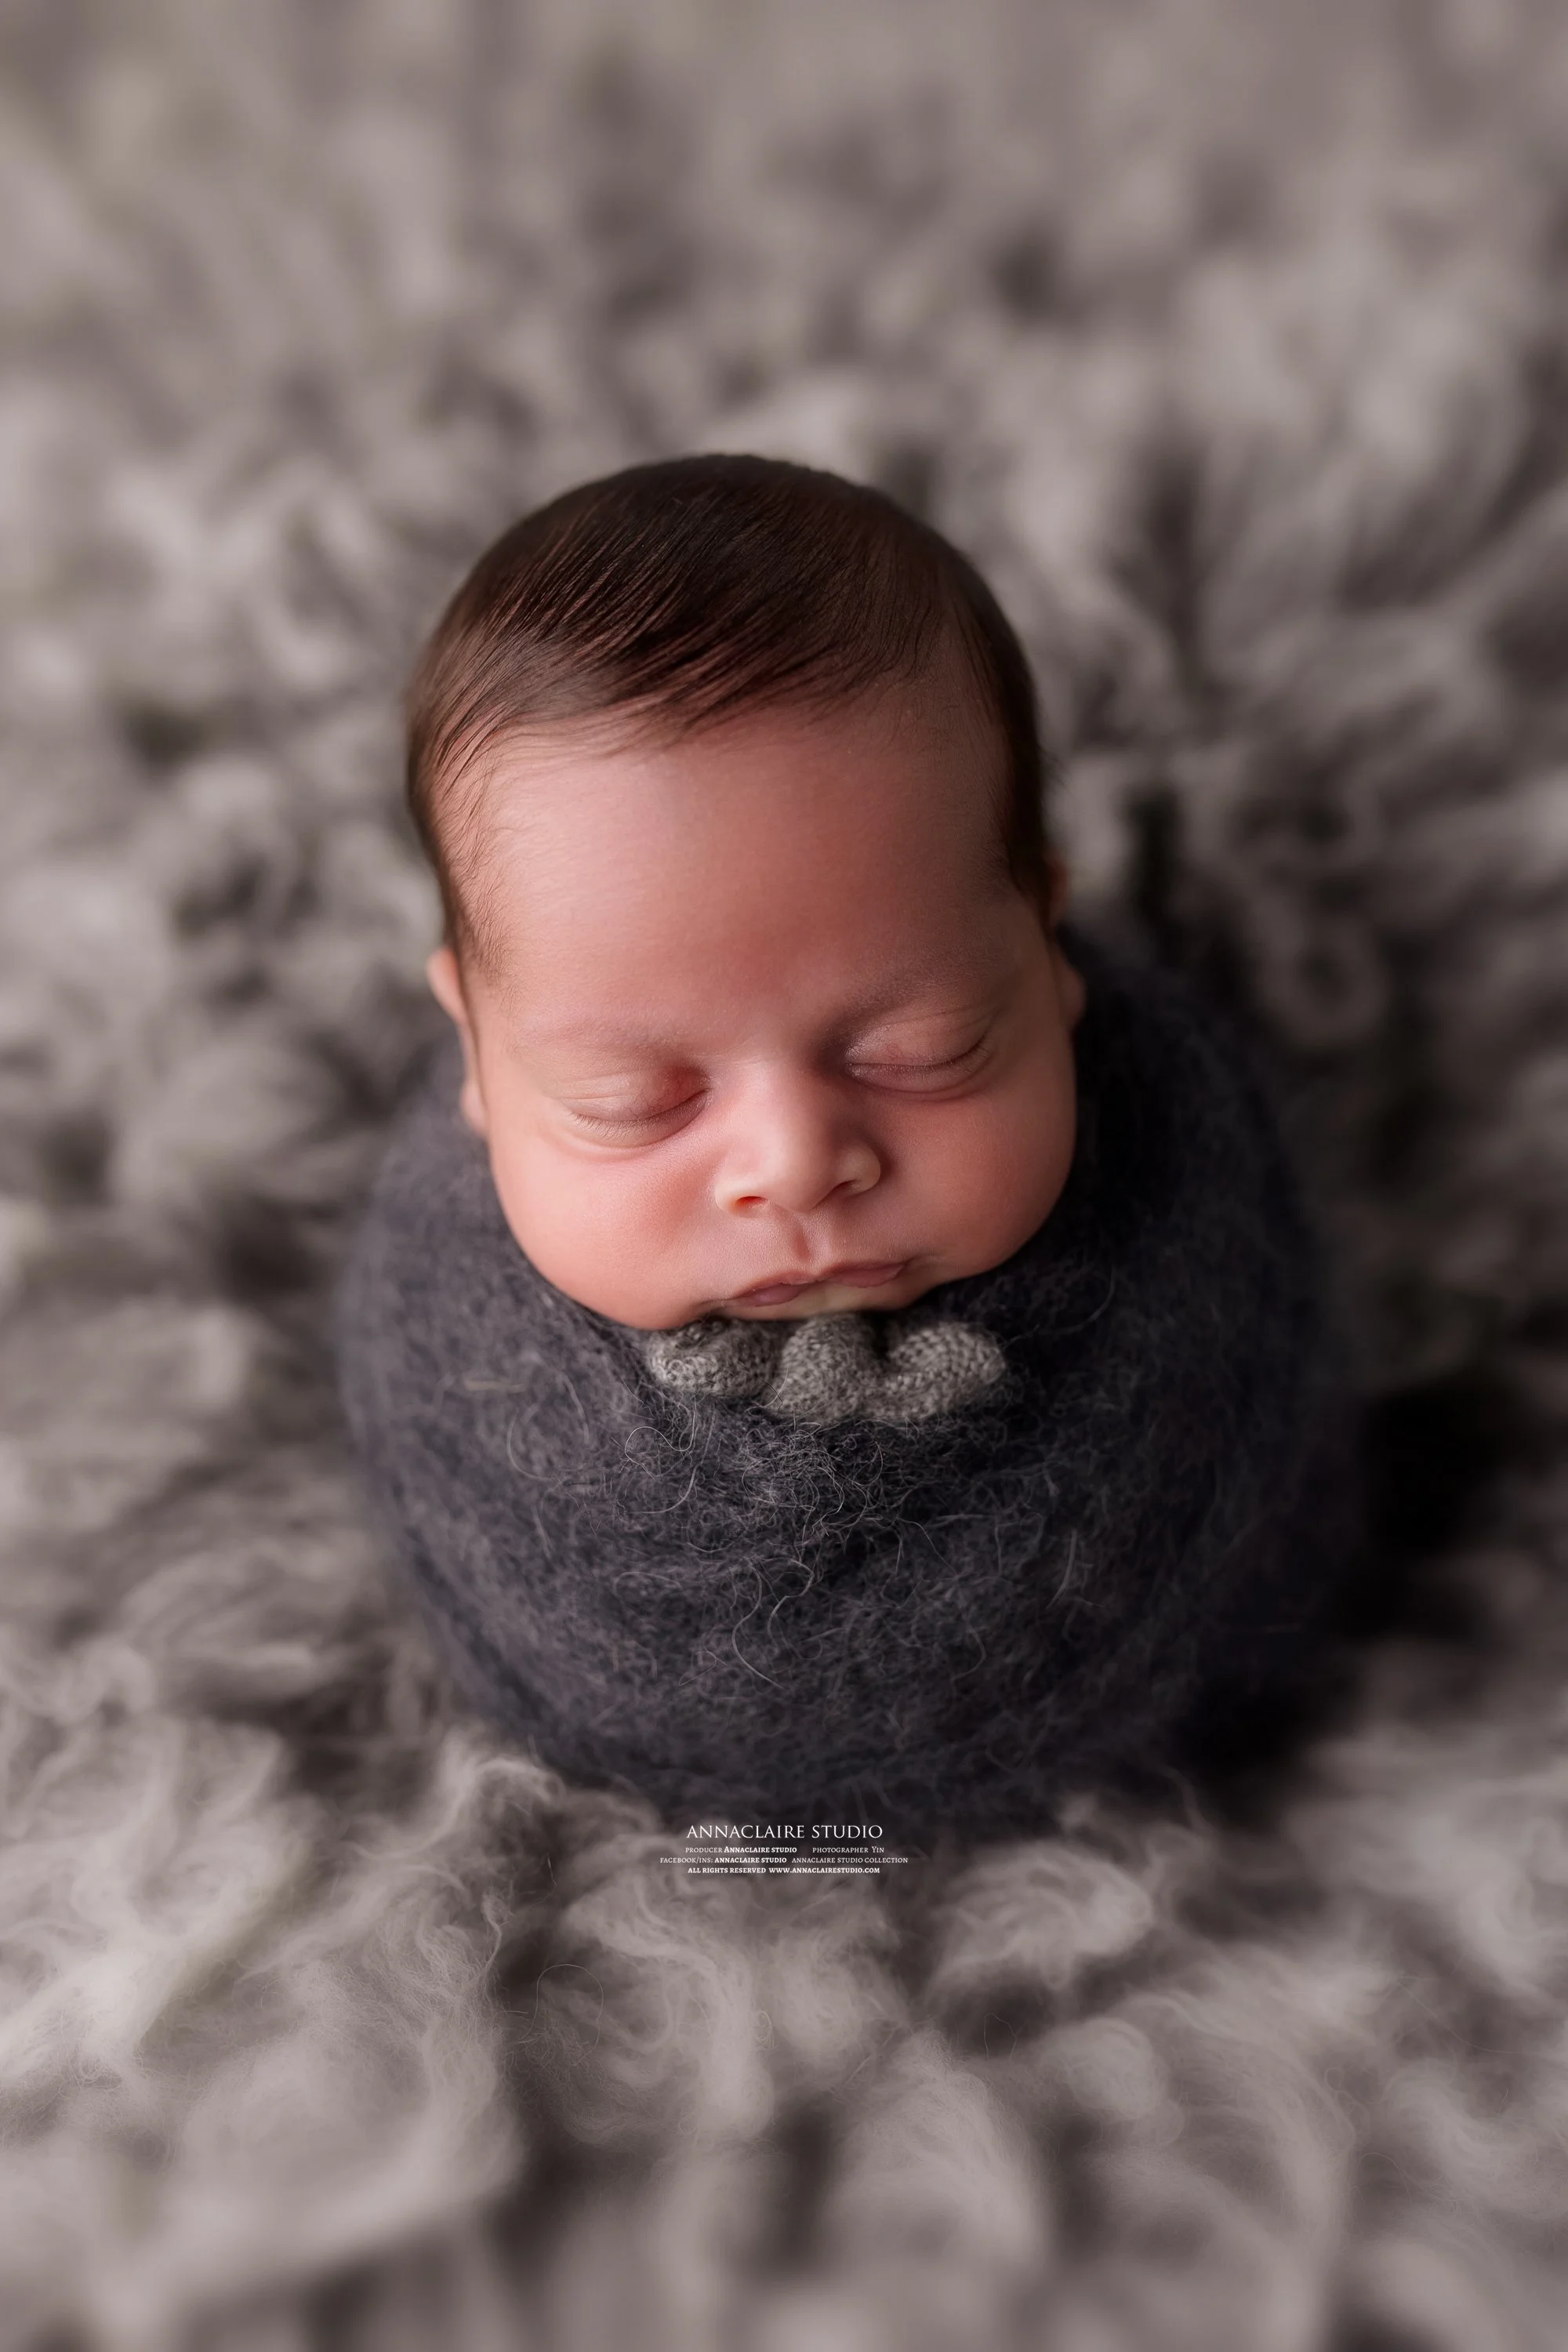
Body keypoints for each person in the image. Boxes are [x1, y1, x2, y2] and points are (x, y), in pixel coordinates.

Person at [334, 453, 1357, 1849]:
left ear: (1045, 952)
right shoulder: (451, 1358)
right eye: (636, 1096)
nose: (797, 1164)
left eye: (920, 1048)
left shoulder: (1202, 1272)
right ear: (477, 1055)